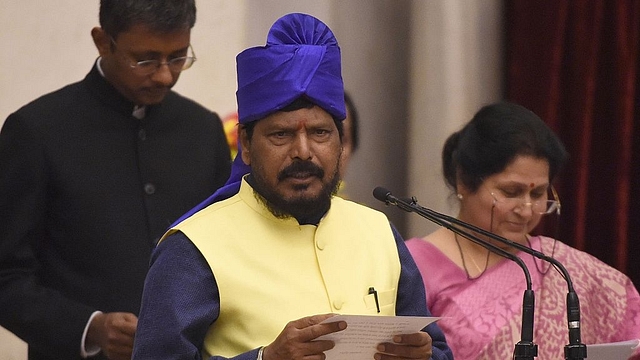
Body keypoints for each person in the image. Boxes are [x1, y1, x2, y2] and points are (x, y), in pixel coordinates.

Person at [132, 13, 453, 360]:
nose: (303, 152)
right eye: (281, 134)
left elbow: (435, 349)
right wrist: (265, 358)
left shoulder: (378, 232)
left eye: (320, 133)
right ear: (247, 144)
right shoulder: (193, 249)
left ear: (341, 143)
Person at [0, 1, 231, 359]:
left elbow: (227, 258)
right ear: (102, 42)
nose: (165, 76)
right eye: (146, 59)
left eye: (178, 57)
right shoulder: (36, 131)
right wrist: (89, 327)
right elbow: (6, 277)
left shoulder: (203, 130)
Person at [405, 102, 640, 359]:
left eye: (538, 193)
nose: (527, 210)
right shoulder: (412, 264)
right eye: (511, 192)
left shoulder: (562, 267)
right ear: (464, 181)